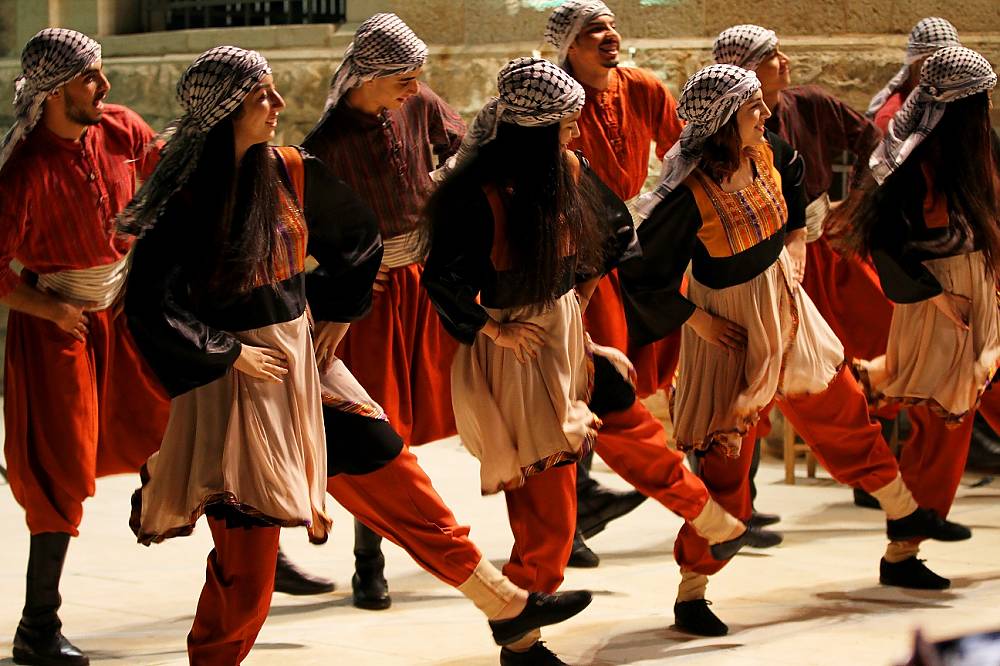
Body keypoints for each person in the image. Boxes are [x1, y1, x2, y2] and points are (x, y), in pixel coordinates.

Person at [621, 64, 971, 636]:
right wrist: (699, 324)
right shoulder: (688, 195)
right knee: (724, 464)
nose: (765, 114)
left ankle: (905, 534)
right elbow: (642, 275)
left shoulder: (769, 150)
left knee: (845, 414)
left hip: (785, 309)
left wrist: (792, 250)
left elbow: (796, 189)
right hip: (730, 324)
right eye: (753, 108)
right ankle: (693, 591)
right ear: (725, 120)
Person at [424, 57, 753, 663]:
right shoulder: (478, 195)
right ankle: (521, 633)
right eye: (567, 124)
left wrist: (579, 319)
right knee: (548, 508)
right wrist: (492, 333)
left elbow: (613, 235)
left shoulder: (566, 171)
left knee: (634, 426)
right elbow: (443, 282)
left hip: (567, 337)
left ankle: (713, 524)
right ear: (535, 130)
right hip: (517, 352)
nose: (577, 134)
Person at [0, 28, 170, 666]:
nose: (105, 87)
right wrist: (49, 306)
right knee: (60, 466)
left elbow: (161, 186)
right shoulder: (24, 170)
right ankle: (37, 627)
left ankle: (254, 556)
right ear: (51, 90)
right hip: (58, 328)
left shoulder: (120, 128)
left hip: (122, 312)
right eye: (90, 78)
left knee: (180, 421)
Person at [301, 12, 463, 609]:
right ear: (370, 76)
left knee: (435, 408)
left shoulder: (420, 107)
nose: (415, 89)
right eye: (405, 78)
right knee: (380, 425)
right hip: (369, 298)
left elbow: (461, 151)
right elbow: (312, 235)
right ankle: (369, 562)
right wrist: (347, 282)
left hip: (425, 280)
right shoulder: (323, 147)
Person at [834, 46, 1000, 590]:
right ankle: (902, 554)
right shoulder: (911, 159)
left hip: (981, 292)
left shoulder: (973, 147)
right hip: (941, 304)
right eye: (980, 99)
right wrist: (941, 304)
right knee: (941, 427)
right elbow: (885, 245)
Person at [543, 0, 700, 567]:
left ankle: (584, 505)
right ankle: (572, 513)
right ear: (569, 46)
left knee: (618, 369)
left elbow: (682, 150)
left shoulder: (643, 86)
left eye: (610, 26)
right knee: (585, 378)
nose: (608, 36)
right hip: (578, 251)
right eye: (592, 31)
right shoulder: (554, 99)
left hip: (630, 240)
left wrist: (657, 209)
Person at [866, 17, 961, 132]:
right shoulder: (891, 118)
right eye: (937, 64)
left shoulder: (952, 106)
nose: (946, 73)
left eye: (950, 63)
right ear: (915, 63)